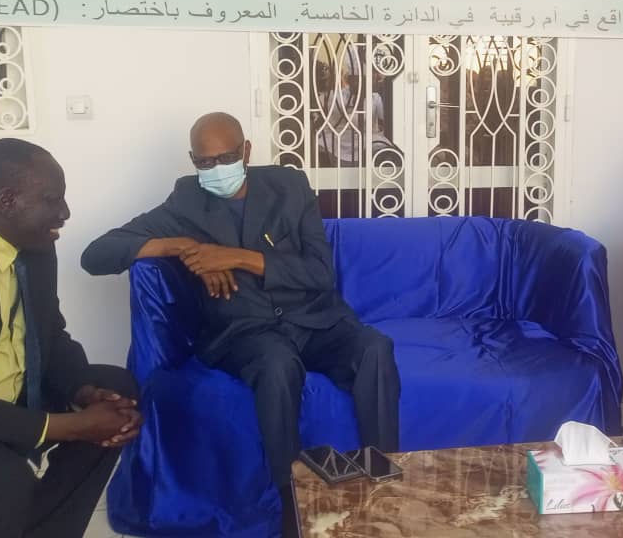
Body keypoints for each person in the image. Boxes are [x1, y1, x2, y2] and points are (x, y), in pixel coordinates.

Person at [80, 113, 401, 526]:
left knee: (375, 347)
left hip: (314, 320)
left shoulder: (288, 186)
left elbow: (320, 273)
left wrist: (236, 258)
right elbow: (95, 255)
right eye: (205, 162)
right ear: (193, 161)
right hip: (246, 332)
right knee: (277, 364)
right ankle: (290, 498)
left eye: (226, 158)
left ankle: (382, 473)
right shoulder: (186, 201)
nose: (216, 169)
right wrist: (181, 246)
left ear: (246, 151)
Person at [0, 139, 142, 538]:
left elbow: (49, 334)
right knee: (0, 482)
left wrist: (84, 391)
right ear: (7, 201)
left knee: (117, 395)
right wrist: (67, 426)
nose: (65, 212)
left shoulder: (34, 242)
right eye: (52, 199)